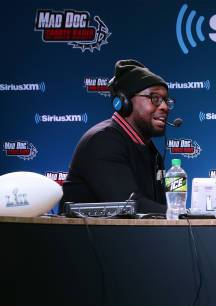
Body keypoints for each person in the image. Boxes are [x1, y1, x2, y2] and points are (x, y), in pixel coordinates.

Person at [60, 59, 174, 214]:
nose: (165, 107)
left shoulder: (152, 152)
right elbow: (129, 206)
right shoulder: (102, 141)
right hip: (83, 237)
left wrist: (181, 213)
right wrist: (179, 214)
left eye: (166, 100)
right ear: (125, 102)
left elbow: (155, 209)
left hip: (129, 237)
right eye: (155, 98)